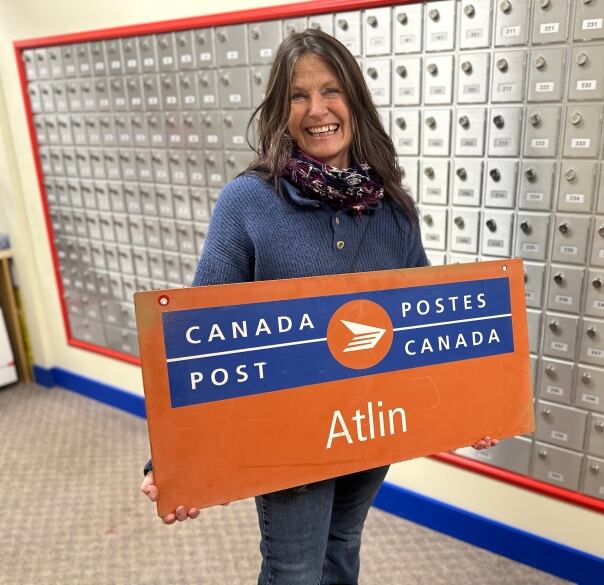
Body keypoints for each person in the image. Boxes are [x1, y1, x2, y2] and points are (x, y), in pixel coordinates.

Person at [141, 29, 498, 585]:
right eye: (298, 97)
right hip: (288, 432)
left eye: (331, 91)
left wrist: (472, 404)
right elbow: (199, 332)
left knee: (341, 546)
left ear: (354, 101)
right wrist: (173, 458)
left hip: (370, 422)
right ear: (281, 114)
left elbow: (428, 316)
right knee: (293, 570)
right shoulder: (249, 202)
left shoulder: (391, 207)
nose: (317, 110)